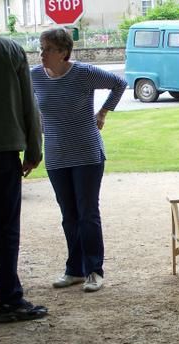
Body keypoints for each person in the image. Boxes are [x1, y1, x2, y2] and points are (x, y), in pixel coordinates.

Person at [31, 28, 127, 293]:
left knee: (87, 213)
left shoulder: (83, 73)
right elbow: (29, 108)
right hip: (56, 154)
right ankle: (74, 270)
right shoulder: (35, 76)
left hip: (86, 153)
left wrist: (104, 112)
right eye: (41, 48)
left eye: (48, 49)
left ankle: (94, 270)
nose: (42, 54)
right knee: (68, 215)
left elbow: (119, 84)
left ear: (63, 52)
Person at [0, 0, 48, 323]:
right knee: (5, 228)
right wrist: (33, 148)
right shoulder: (9, 50)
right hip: (3, 150)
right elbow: (28, 103)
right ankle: (8, 299)